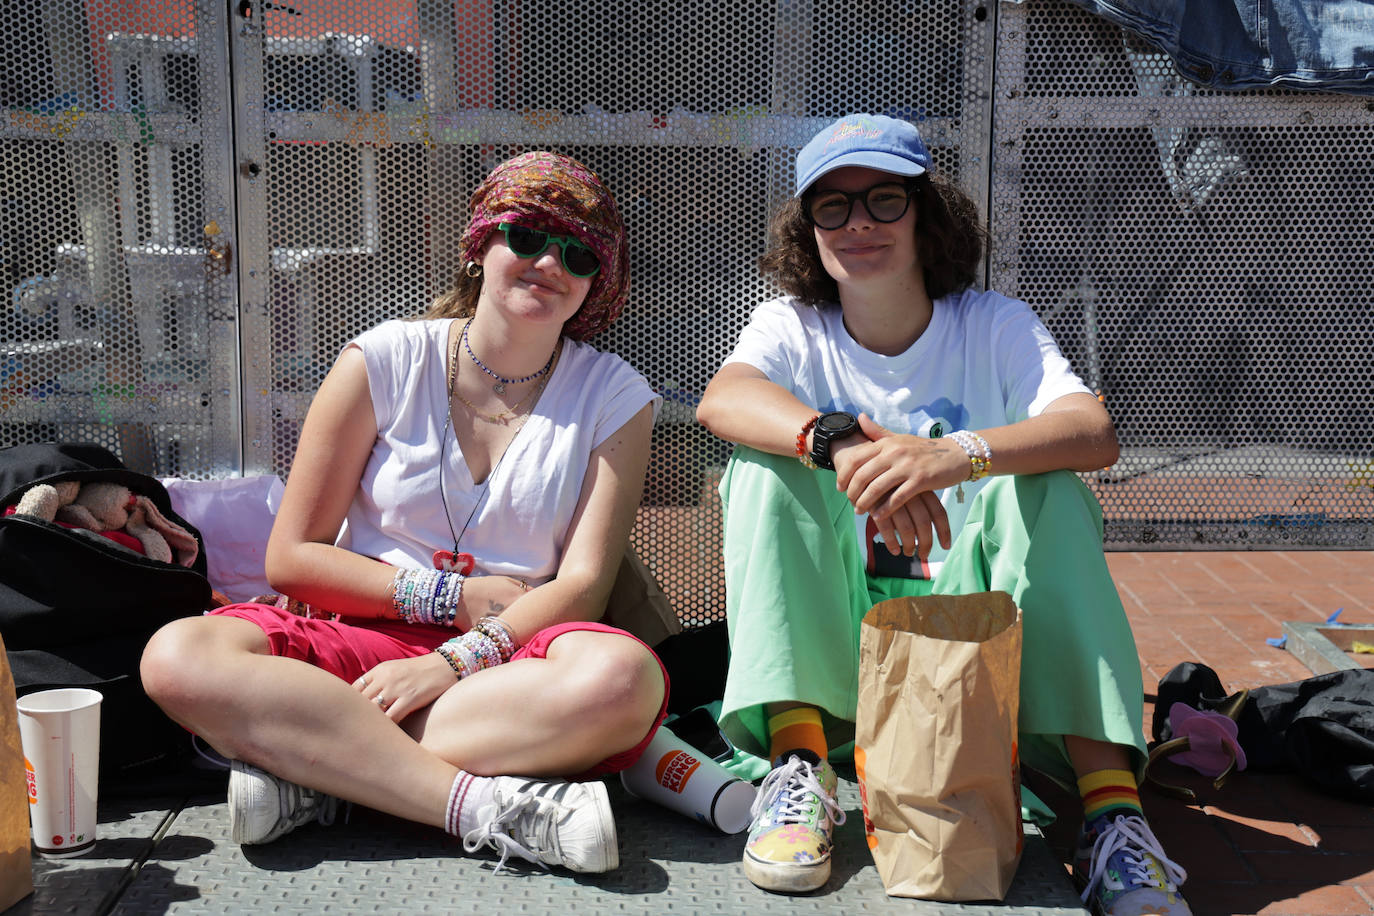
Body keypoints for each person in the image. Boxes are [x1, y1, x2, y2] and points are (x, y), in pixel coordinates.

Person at [696, 114, 1190, 914]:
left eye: (884, 200)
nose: (858, 223)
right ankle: (801, 767)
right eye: (833, 206)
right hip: (845, 642)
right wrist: (838, 441)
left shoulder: (992, 322)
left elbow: (1092, 432)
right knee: (763, 466)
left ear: (927, 215)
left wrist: (956, 454)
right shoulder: (794, 324)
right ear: (808, 230)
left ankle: (1110, 819)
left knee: (1054, 487)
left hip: (977, 654)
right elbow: (725, 401)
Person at [141, 151, 667, 874]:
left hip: (507, 662)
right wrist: (447, 598)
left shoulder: (615, 394)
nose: (549, 262)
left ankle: (325, 775)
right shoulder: (384, 358)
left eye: (578, 255)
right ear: (482, 244)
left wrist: (454, 659)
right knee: (178, 657)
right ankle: (486, 810)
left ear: (594, 285)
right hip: (359, 643)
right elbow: (291, 557)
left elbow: (582, 588)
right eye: (527, 237)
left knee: (622, 679)